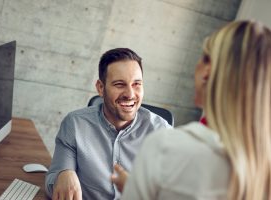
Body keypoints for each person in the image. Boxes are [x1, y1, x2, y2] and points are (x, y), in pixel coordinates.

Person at [112, 20, 271, 200]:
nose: (130, 93)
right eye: (119, 84)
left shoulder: (165, 146)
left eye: (203, 57)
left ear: (207, 73)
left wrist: (137, 187)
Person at [45, 48, 172, 200]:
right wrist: (63, 174)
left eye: (136, 84)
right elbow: (51, 182)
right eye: (119, 84)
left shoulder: (163, 133)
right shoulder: (75, 124)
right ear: (100, 88)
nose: (130, 94)